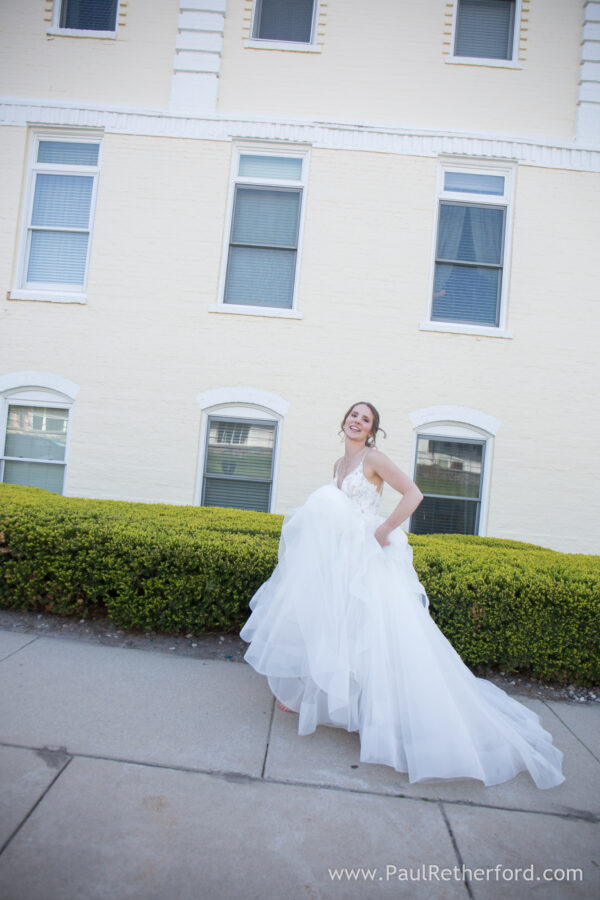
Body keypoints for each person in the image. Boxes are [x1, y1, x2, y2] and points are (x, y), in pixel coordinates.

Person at [240, 402, 565, 789]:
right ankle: (325, 696)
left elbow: (413, 494)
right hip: (340, 556)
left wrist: (382, 532)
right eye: (353, 415)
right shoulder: (339, 464)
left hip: (367, 553)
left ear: (372, 429)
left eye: (366, 418)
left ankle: (382, 715)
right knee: (336, 622)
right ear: (343, 421)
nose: (357, 421)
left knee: (375, 632)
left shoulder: (374, 458)